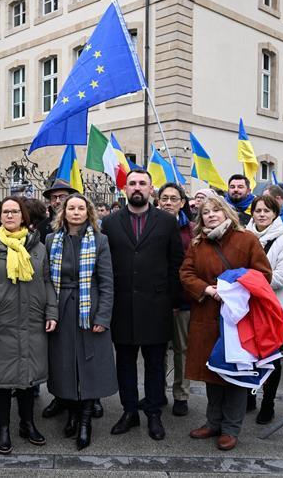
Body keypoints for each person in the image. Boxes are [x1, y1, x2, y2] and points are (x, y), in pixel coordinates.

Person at [180, 197, 272, 451]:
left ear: (227, 212)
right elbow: (186, 273)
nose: (210, 215)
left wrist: (233, 291)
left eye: (215, 210)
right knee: (213, 371)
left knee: (235, 373)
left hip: (237, 319)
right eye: (205, 212)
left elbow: (263, 274)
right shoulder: (198, 244)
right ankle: (213, 422)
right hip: (207, 316)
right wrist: (207, 289)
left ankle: (231, 428)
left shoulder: (247, 239)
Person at [101, 169, 184, 441]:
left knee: (155, 364)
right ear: (125, 189)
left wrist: (173, 300)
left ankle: (154, 413)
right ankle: (129, 412)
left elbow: (176, 264)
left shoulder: (167, 222)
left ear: (151, 189)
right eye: (132, 183)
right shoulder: (110, 223)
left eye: (142, 184)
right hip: (122, 305)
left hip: (156, 305)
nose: (137, 188)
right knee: (124, 362)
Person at [0, 196, 57, 454]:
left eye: (15, 212)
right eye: (5, 212)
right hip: (1, 322)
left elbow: (47, 281)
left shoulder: (38, 247)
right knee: (0, 380)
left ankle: (27, 423)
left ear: (24, 217)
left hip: (32, 320)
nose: (9, 216)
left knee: (28, 378)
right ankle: (3, 428)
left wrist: (51, 311)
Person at [46, 193, 116, 450]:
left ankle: (85, 421)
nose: (76, 212)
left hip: (91, 307)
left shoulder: (100, 241)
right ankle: (72, 413)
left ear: (89, 213)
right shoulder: (51, 240)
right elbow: (46, 281)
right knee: (66, 364)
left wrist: (103, 316)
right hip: (62, 309)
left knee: (89, 365)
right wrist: (49, 312)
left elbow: (107, 282)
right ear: (63, 212)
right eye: (71, 208)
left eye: (81, 208)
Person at [245, 195, 283, 424]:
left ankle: (268, 403)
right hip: (247, 309)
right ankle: (248, 395)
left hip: (273, 310)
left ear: (275, 214)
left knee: (272, 361)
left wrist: (250, 280)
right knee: (247, 357)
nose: (262, 214)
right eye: (258, 210)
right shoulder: (243, 238)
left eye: (267, 210)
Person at [157, 183, 194, 417]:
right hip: (157, 300)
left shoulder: (191, 230)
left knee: (183, 349)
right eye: (164, 198)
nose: (168, 202)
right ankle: (157, 391)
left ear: (182, 202)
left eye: (173, 198)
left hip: (183, 299)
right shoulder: (151, 225)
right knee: (157, 349)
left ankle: (181, 395)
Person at [36, 179, 79, 244]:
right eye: (54, 197)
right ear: (50, 201)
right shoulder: (42, 227)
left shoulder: (80, 224)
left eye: (62, 197)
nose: (57, 201)